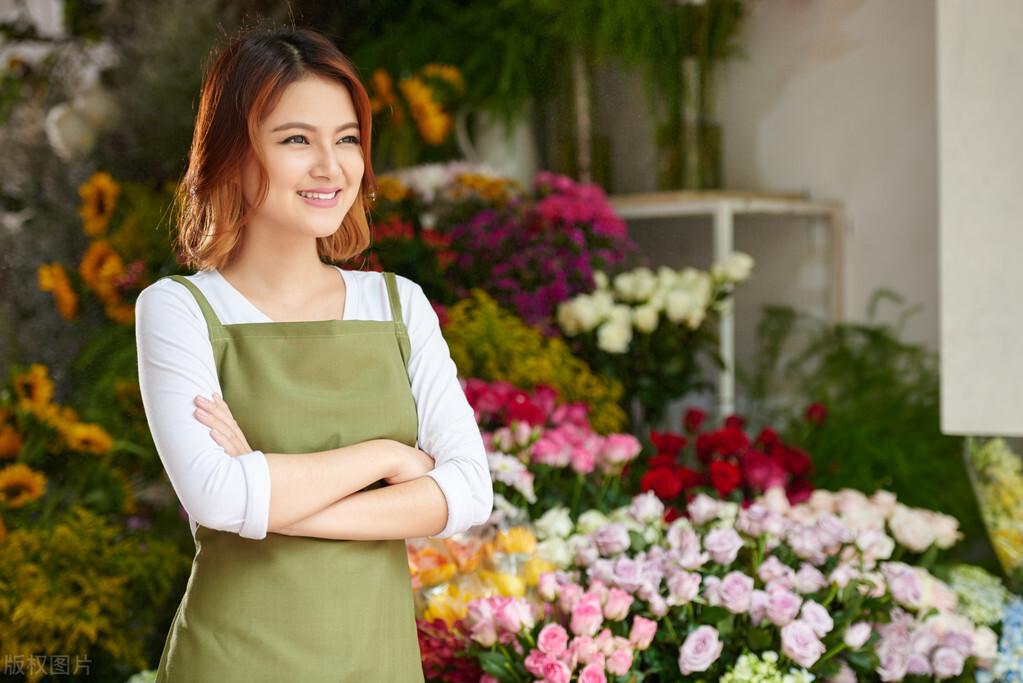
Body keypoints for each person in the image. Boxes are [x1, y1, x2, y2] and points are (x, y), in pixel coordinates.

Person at [134, 24, 494, 682]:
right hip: (231, 660)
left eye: (347, 139)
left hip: (377, 661)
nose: (331, 167)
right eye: (297, 139)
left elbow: (468, 493)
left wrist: (266, 494)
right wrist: (388, 458)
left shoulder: (399, 304)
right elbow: (216, 497)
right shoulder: (177, 308)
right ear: (235, 156)